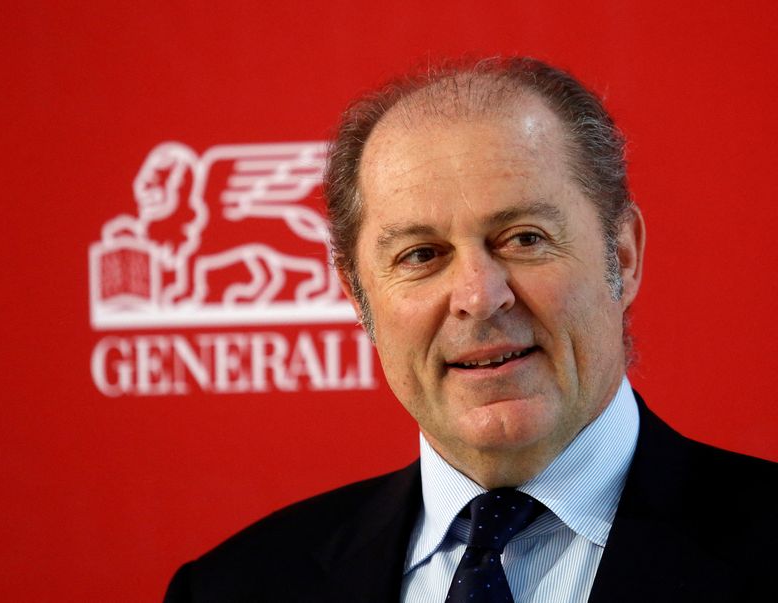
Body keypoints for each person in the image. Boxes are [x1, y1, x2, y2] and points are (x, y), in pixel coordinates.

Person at [163, 56, 777, 603]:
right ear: (358, 297)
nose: (480, 297)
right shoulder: (235, 586)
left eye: (524, 239)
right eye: (422, 255)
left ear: (624, 255)